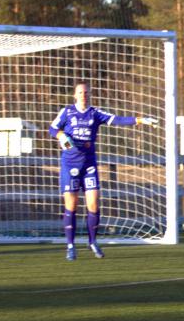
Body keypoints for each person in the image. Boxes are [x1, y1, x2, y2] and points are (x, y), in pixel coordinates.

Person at [50, 81, 158, 260]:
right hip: (70, 165)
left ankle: (93, 242)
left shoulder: (95, 113)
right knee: (71, 205)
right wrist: (62, 136)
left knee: (93, 204)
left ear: (90, 94)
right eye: (80, 92)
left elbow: (117, 119)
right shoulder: (67, 112)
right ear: (74, 95)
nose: (83, 95)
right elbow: (52, 128)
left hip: (89, 165)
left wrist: (139, 120)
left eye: (86, 92)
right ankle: (70, 246)